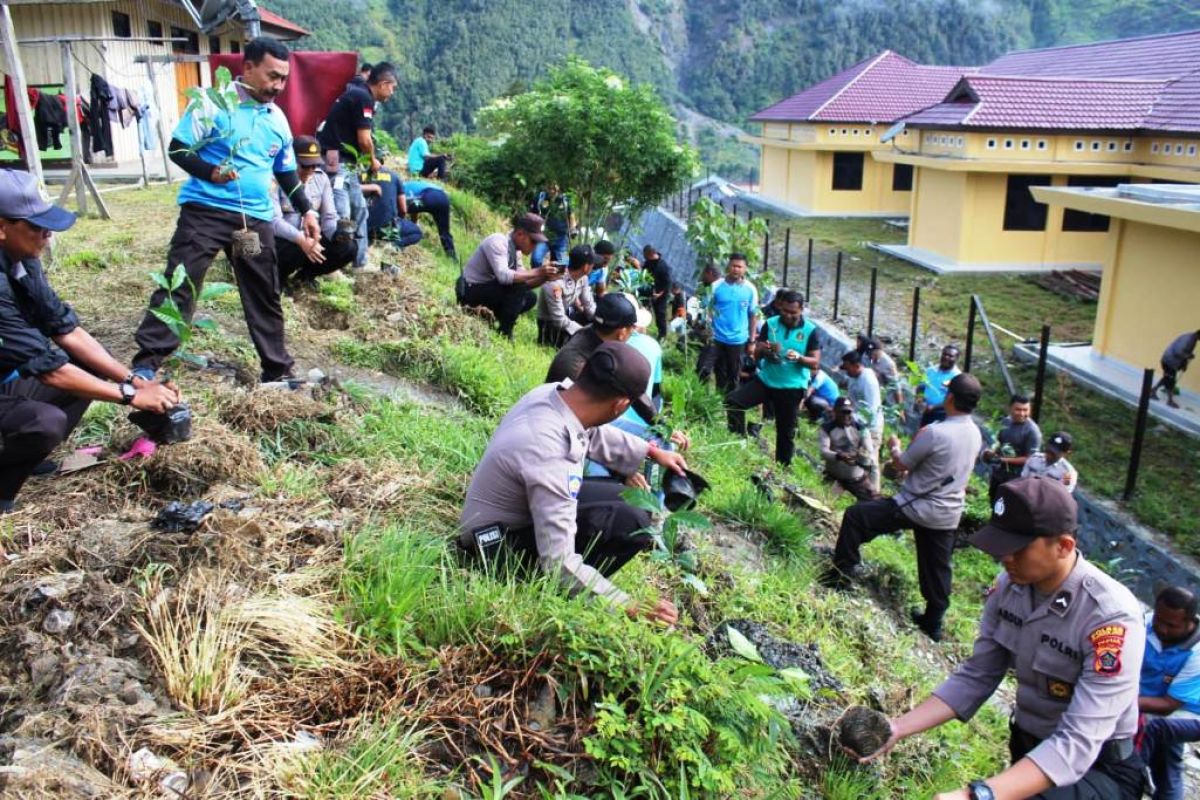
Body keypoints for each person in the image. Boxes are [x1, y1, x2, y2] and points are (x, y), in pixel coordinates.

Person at [859, 477, 1146, 800]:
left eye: (1017, 549)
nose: (1005, 558)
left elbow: (1078, 742)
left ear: (1063, 546)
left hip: (1096, 770)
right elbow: (978, 675)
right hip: (1030, 749)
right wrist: (897, 727)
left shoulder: (1108, 618)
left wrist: (977, 795)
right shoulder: (1010, 588)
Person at [458, 342, 687, 624]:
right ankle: (558, 592)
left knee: (628, 497)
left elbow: (591, 433)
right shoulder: (550, 452)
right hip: (492, 550)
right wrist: (630, 606)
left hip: (501, 518)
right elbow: (558, 561)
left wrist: (650, 452)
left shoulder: (552, 394)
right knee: (632, 522)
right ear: (620, 405)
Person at [133, 37, 317, 384]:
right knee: (181, 282)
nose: (278, 86)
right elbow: (178, 150)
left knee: (264, 290)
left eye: (283, 79)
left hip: (253, 219)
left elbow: (285, 171)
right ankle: (147, 362)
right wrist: (211, 173)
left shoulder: (276, 117)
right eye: (272, 76)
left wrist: (307, 210)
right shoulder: (211, 103)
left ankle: (277, 369)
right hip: (206, 211)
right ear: (247, 68)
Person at [0, 171, 180, 510]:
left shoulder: (22, 260)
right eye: (37, 227)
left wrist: (132, 379)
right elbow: (49, 371)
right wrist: (131, 397)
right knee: (43, 422)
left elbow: (65, 330)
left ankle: (26, 455)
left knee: (88, 364)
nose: (47, 234)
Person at [823, 373, 984, 641]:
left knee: (856, 516)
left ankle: (841, 573)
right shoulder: (975, 434)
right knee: (937, 566)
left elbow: (901, 466)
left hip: (914, 504)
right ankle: (933, 621)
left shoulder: (935, 432)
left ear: (951, 398)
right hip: (948, 513)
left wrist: (895, 447)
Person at [317, 62, 398, 269]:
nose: (392, 93)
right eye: (392, 87)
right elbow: (364, 140)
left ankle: (359, 262)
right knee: (341, 213)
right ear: (383, 83)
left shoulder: (358, 93)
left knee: (360, 209)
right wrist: (372, 160)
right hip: (337, 159)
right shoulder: (363, 98)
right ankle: (332, 265)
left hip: (346, 162)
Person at [726, 289, 819, 466]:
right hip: (767, 380)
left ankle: (782, 467)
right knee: (734, 402)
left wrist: (799, 358)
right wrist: (765, 350)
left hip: (792, 387)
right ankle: (737, 441)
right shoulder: (771, 324)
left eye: (793, 312)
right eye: (784, 311)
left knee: (785, 431)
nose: (787, 315)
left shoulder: (810, 331)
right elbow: (756, 355)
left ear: (801, 311)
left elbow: (815, 362)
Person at [1138, 586, 1200, 800]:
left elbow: (1168, 704)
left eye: (1171, 625)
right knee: (1166, 762)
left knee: (1152, 729)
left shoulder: (1197, 651)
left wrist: (1118, 699)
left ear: (1189, 621)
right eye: (1159, 619)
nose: (1162, 629)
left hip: (1189, 712)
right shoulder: (1144, 624)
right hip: (1154, 704)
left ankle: (1125, 777)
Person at [272, 135, 356, 288]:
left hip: (310, 237)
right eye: (305, 166)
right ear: (291, 161)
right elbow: (274, 222)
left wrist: (337, 235)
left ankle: (305, 276)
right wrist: (300, 238)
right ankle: (279, 279)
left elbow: (329, 216)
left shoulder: (321, 178)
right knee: (295, 248)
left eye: (314, 165)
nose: (311, 170)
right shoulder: (275, 179)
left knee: (348, 248)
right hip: (284, 240)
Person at [461, 214, 558, 339]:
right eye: (533, 241)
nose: (535, 246)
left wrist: (545, 277)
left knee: (530, 297)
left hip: (486, 291)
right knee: (517, 286)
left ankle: (490, 317)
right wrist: (539, 271)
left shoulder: (515, 251)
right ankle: (505, 331)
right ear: (520, 234)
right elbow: (503, 276)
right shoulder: (498, 241)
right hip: (469, 291)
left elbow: (525, 282)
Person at [546, 293, 638, 384]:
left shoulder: (591, 330)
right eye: (632, 328)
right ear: (622, 332)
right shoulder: (580, 368)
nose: (633, 332)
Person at [707, 254, 759, 403]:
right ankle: (713, 401)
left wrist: (752, 341)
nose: (736, 269)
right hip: (716, 337)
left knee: (734, 374)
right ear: (728, 267)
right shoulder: (716, 286)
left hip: (738, 339)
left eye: (739, 266)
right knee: (713, 370)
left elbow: (753, 315)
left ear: (745, 269)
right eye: (733, 266)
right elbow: (708, 308)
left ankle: (730, 404)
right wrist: (708, 327)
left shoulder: (750, 290)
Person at [983, 394, 1042, 502]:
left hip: (1017, 479)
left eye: (1025, 410)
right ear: (1010, 408)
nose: (1022, 413)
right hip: (999, 473)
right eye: (1018, 409)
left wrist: (1002, 459)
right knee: (992, 500)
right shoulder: (1006, 422)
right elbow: (999, 442)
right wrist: (992, 452)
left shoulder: (1032, 432)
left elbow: (1031, 459)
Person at [536, 244, 596, 348]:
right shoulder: (555, 282)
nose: (594, 266)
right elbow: (558, 319)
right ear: (586, 267)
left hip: (565, 317)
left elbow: (589, 306)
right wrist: (583, 332)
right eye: (592, 264)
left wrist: (602, 322)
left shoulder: (583, 279)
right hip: (550, 322)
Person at [819, 397, 876, 500]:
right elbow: (824, 452)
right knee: (822, 500)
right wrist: (839, 456)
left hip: (857, 478)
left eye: (848, 412)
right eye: (843, 412)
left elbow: (869, 450)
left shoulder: (861, 429)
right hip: (833, 476)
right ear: (835, 412)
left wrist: (861, 456)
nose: (846, 416)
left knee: (874, 500)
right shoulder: (827, 428)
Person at [841, 350, 882, 490]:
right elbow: (852, 399)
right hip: (857, 422)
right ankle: (843, 483)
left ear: (856, 365)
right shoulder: (853, 377)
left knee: (871, 459)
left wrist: (853, 419)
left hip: (870, 426)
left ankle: (875, 492)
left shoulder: (868, 381)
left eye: (847, 368)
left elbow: (871, 410)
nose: (846, 371)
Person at [360, 169, 422, 247]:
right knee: (417, 233)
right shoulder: (394, 176)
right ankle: (394, 246)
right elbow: (403, 210)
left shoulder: (358, 176)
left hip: (363, 229)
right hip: (387, 230)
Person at [404, 178, 456, 259]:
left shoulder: (402, 188)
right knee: (444, 232)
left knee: (403, 209)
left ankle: (404, 235)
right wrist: (414, 223)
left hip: (429, 195)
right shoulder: (415, 185)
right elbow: (414, 208)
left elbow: (405, 208)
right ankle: (452, 258)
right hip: (443, 198)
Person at [1152, 330, 1197, 409]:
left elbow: (1185, 351)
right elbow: (1178, 352)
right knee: (1170, 381)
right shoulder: (1188, 339)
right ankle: (1169, 401)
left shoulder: (1193, 339)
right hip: (1169, 361)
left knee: (1167, 377)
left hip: (1171, 361)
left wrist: (1184, 364)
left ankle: (1152, 391)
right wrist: (1188, 356)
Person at [917, 345, 962, 425]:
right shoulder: (931, 370)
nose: (946, 357)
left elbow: (954, 399)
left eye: (950, 356)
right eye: (944, 354)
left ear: (956, 359)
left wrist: (933, 407)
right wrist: (919, 398)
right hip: (925, 410)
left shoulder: (957, 377)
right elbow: (921, 386)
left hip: (942, 414)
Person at [532, 184, 574, 263]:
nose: (552, 191)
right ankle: (537, 274)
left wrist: (572, 229)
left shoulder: (565, 200)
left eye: (554, 188)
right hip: (543, 236)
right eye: (550, 188)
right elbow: (533, 214)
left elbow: (571, 215)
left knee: (564, 263)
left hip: (561, 239)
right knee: (536, 259)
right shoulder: (541, 197)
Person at [641, 245, 672, 341]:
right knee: (641, 306)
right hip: (648, 289)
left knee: (660, 313)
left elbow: (668, 283)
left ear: (651, 254)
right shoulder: (648, 262)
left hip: (661, 292)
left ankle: (662, 334)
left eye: (645, 255)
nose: (644, 257)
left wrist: (659, 294)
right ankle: (641, 325)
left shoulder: (663, 266)